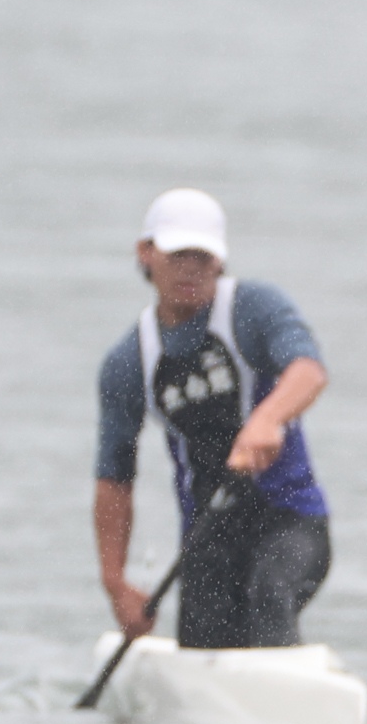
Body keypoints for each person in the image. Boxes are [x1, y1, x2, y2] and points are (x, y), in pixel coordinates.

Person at [93, 188, 333, 649]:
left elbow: (309, 371)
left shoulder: (254, 309)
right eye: (178, 255)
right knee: (205, 643)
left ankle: (282, 684)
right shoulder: (129, 361)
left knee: (270, 596)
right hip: (208, 537)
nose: (191, 269)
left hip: (291, 521)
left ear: (220, 259)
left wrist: (267, 419)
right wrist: (116, 583)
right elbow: (113, 478)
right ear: (146, 254)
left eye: (203, 258)